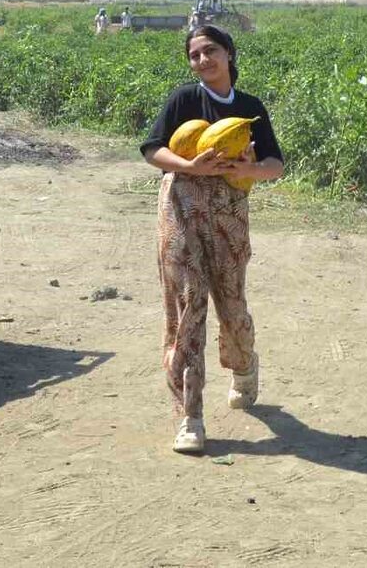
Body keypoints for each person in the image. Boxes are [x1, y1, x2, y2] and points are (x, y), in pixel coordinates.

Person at [139, 24, 284, 455]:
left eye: (211, 51)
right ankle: (190, 416)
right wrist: (189, 166)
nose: (203, 60)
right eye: (195, 55)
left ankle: (243, 364)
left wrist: (250, 172)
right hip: (181, 205)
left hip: (229, 213)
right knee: (186, 307)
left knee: (231, 301)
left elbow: (275, 162)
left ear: (229, 54)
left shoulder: (249, 107)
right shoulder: (184, 99)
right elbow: (151, 149)